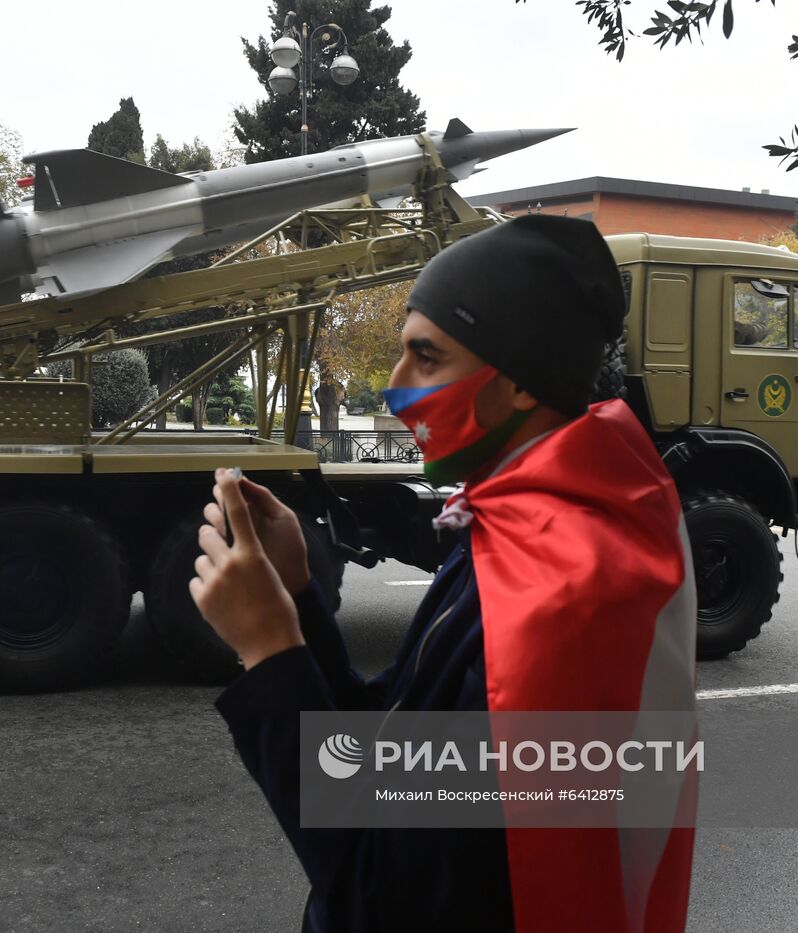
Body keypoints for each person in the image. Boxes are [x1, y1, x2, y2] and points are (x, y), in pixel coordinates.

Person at [190, 216, 698, 932]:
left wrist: (269, 651)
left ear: (518, 382)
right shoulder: (524, 527)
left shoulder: (554, 599)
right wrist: (298, 599)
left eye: (426, 358)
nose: (395, 390)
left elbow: (382, 894)